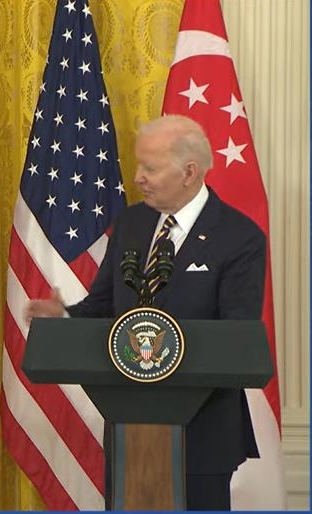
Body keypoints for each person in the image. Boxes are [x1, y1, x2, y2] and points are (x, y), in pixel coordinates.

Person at [26, 114, 264, 511]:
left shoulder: (239, 237)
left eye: (150, 168)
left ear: (189, 172)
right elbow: (104, 306)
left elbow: (236, 336)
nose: (137, 178)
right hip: (130, 423)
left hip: (202, 432)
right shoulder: (133, 223)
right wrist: (64, 319)